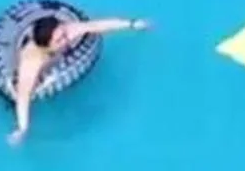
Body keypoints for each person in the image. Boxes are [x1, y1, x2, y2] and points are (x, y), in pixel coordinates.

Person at [9, 13, 149, 144]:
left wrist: (131, 24)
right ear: (46, 46)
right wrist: (22, 130)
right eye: (58, 40)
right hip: (37, 68)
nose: (66, 40)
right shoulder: (32, 61)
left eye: (64, 34)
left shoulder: (67, 31)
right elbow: (23, 97)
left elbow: (96, 26)